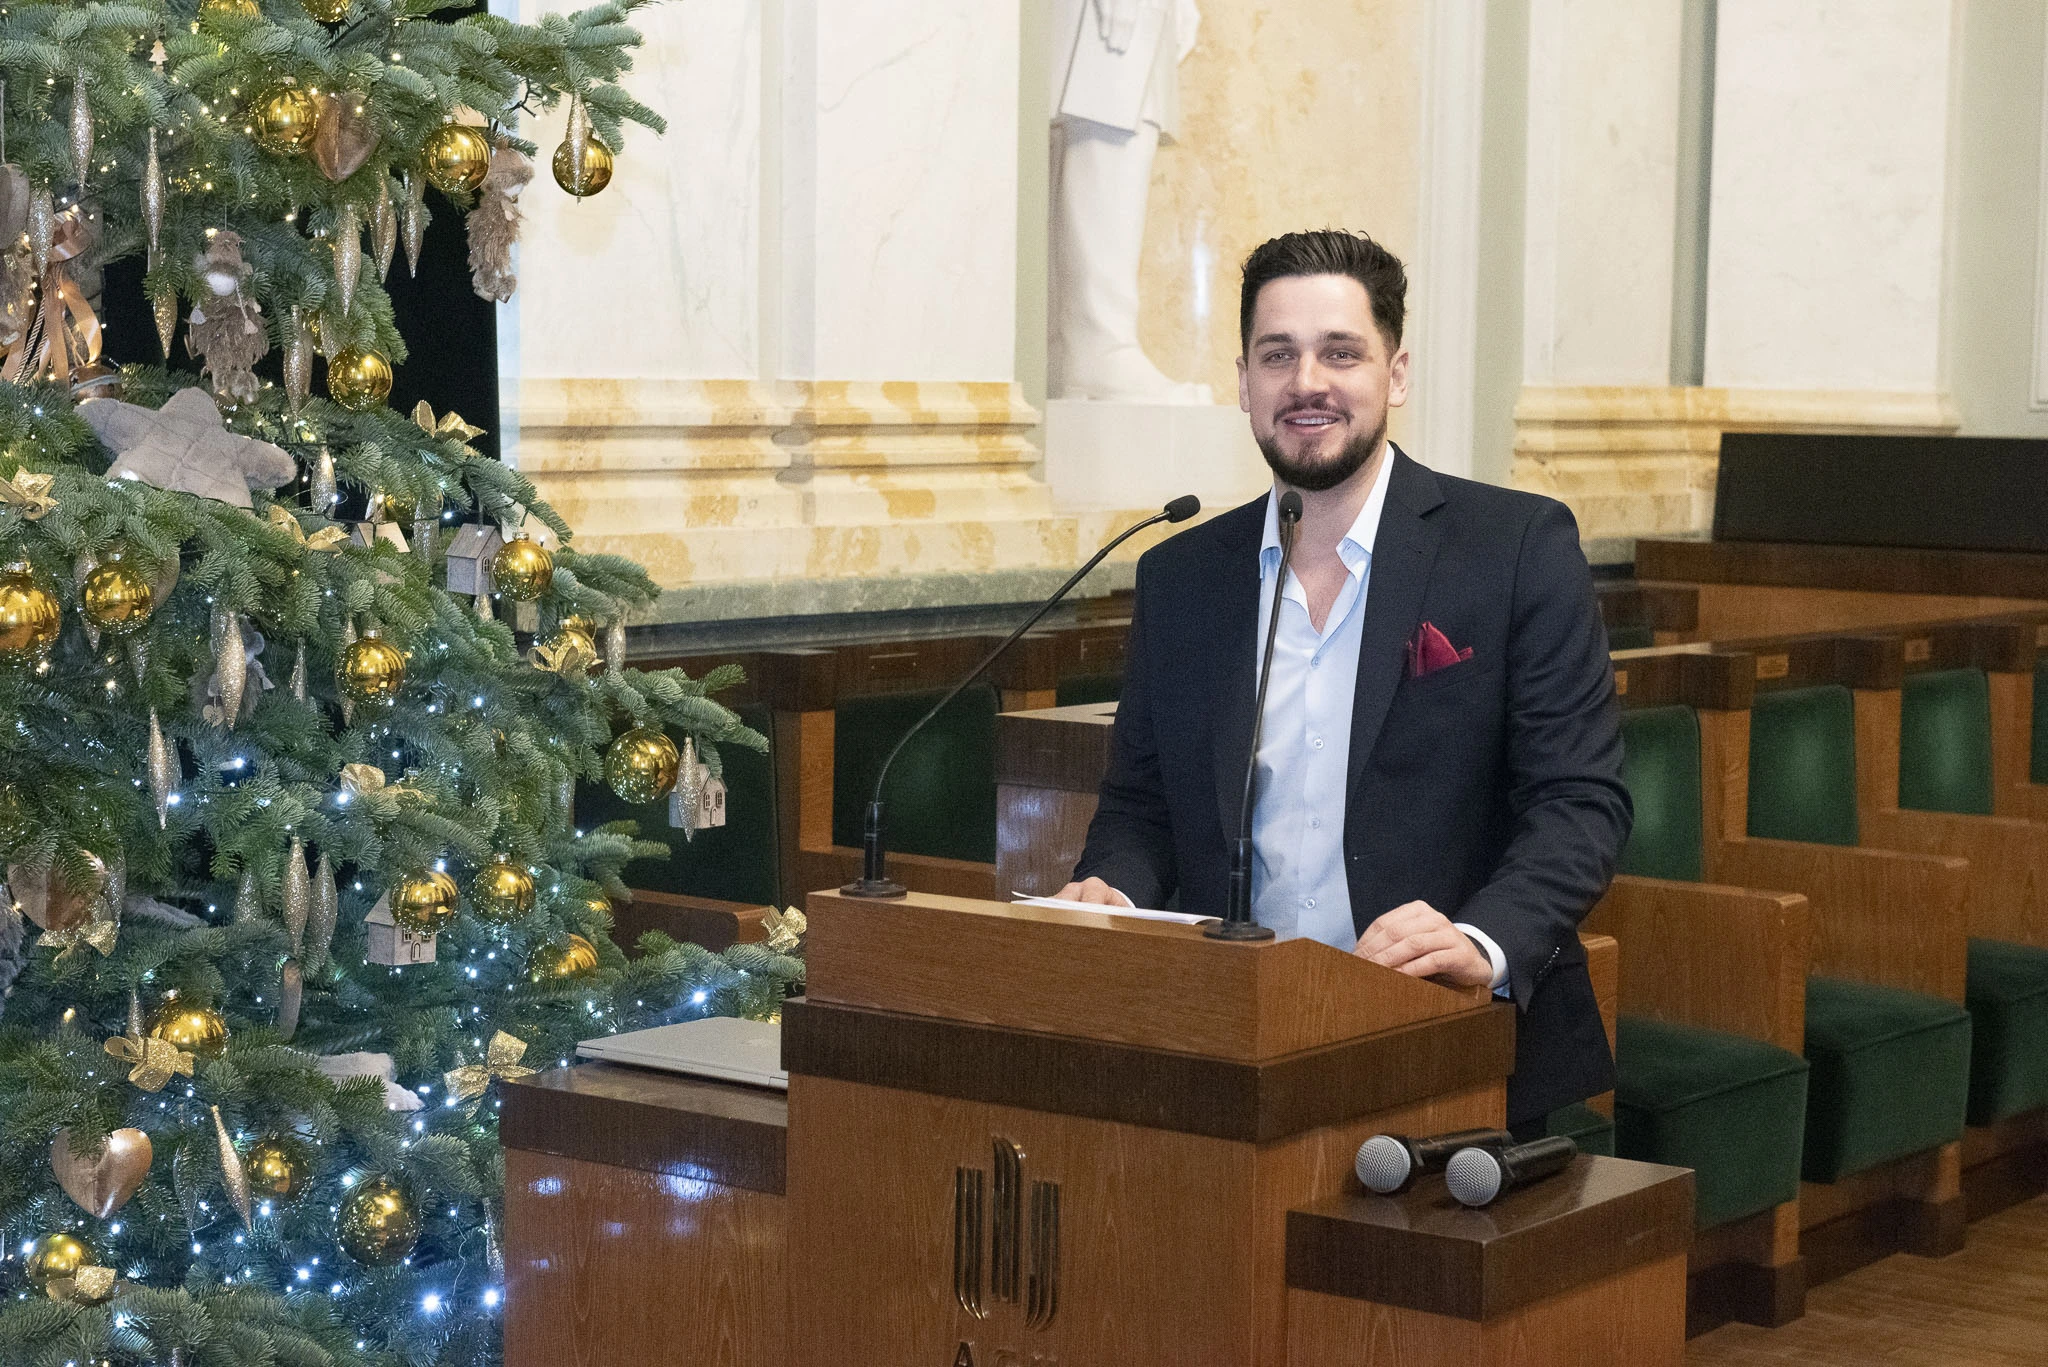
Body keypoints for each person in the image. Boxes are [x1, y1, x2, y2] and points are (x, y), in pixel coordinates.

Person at [1057, 230, 1631, 1129]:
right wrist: (1113, 891)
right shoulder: (1181, 577)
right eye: (1277, 355)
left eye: (1340, 352)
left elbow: (1580, 801)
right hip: (1230, 1051)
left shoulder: (1516, 548)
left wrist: (1483, 939)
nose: (1306, 382)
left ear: (1395, 374)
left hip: (1450, 1043)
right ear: (1243, 382)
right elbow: (1142, 807)